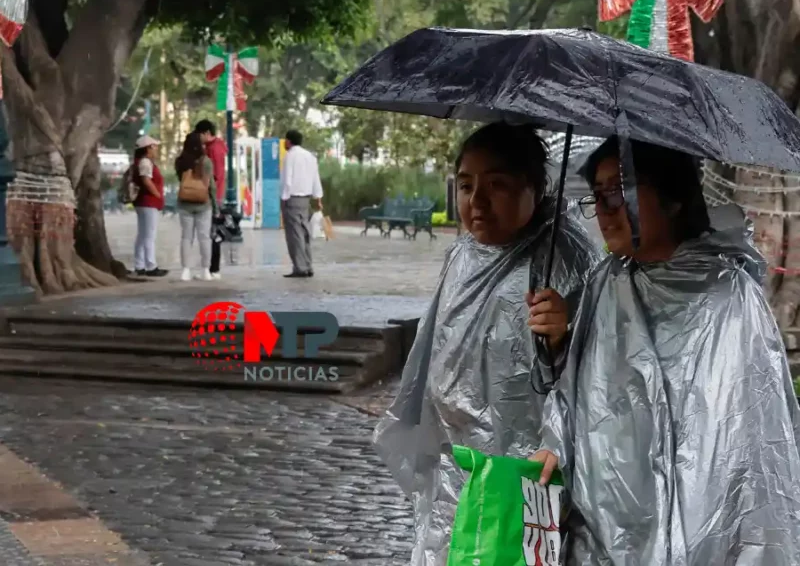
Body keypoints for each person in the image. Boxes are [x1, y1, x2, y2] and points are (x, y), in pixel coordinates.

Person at [532, 137, 800, 565]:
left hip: (699, 522)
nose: (604, 209)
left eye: (618, 191)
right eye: (597, 196)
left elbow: (743, 441)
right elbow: (577, 396)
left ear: (674, 199)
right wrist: (561, 339)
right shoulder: (604, 284)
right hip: (607, 525)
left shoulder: (728, 297)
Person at [372, 122, 602, 566]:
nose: (475, 201)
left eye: (496, 185)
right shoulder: (462, 255)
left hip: (529, 470)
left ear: (534, 189)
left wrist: (564, 338)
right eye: (464, 185)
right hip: (455, 461)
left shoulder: (567, 259)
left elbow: (598, 380)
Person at [280, 130, 323, 278]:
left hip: (292, 198)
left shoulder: (290, 156)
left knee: (294, 234)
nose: (284, 142)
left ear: (289, 141)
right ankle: (308, 265)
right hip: (306, 199)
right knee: (304, 233)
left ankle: (300, 267)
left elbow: (287, 179)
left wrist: (284, 198)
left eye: (285, 140)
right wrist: (318, 197)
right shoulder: (310, 156)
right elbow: (315, 178)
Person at [175, 132, 217, 281]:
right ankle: (205, 270)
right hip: (203, 203)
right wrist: (216, 207)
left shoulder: (180, 161)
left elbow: (182, 179)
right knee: (204, 237)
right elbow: (211, 185)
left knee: (186, 237)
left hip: (185, 202)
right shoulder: (206, 161)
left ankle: (185, 270)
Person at [194, 119, 226, 280]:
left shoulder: (215, 149)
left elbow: (217, 175)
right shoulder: (214, 147)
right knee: (211, 232)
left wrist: (213, 197)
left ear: (207, 133)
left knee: (212, 233)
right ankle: (212, 268)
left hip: (214, 195)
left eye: (200, 134)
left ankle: (213, 269)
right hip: (214, 194)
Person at [132, 135, 167, 277]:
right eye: (155, 146)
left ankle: (139, 265)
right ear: (148, 148)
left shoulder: (141, 161)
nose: (156, 149)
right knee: (149, 235)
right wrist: (157, 194)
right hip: (148, 202)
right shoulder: (145, 162)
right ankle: (151, 266)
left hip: (143, 202)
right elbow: (146, 180)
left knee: (142, 235)